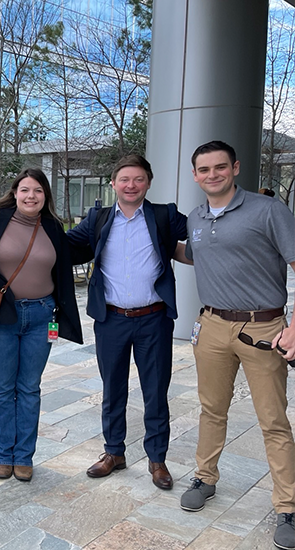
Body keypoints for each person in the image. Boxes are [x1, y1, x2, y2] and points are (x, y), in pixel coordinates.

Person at [176, 141, 295, 550]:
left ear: (235, 168)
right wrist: (139, 235)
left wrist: (294, 326)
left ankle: (288, 506)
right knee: (212, 410)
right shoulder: (195, 217)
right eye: (204, 169)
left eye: (219, 167)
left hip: (264, 328)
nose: (212, 175)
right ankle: (205, 477)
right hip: (211, 327)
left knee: (272, 420)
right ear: (195, 175)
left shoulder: (268, 211)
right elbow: (195, 254)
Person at [67, 155, 187, 490]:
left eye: (137, 179)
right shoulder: (98, 218)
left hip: (154, 319)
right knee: (112, 389)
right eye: (124, 179)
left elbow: (204, 231)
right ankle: (113, 452)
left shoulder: (165, 215)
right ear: (113, 183)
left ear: (148, 182)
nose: (130, 185)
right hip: (111, 320)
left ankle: (157, 459)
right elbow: (67, 246)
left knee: (155, 391)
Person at [0, 168, 82, 481]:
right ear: (15, 192)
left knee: (29, 387)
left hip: (42, 315)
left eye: (38, 191)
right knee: (3, 387)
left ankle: (24, 457)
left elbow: (67, 263)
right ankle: (3, 455)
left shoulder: (54, 228)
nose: (31, 196)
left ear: (46, 196)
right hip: (2, 314)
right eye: (25, 190)